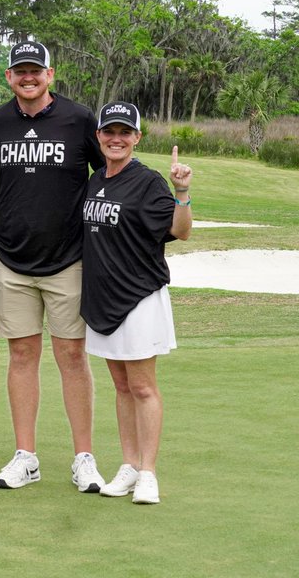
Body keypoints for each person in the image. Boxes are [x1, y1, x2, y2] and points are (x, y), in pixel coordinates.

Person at [0, 42, 107, 492]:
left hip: (68, 260)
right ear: (10, 77)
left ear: (50, 74)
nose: (28, 77)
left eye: (35, 70)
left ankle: (84, 458)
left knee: (72, 356)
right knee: (21, 356)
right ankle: (26, 456)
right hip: (12, 260)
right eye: (20, 71)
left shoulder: (78, 118)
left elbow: (105, 172)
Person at [82, 102, 192, 505]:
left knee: (143, 386)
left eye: (124, 132)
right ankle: (129, 465)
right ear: (98, 136)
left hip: (139, 297)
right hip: (103, 299)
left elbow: (180, 232)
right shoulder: (95, 181)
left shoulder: (147, 182)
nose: (116, 138)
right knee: (121, 386)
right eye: (109, 131)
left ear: (137, 138)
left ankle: (148, 472)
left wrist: (182, 192)